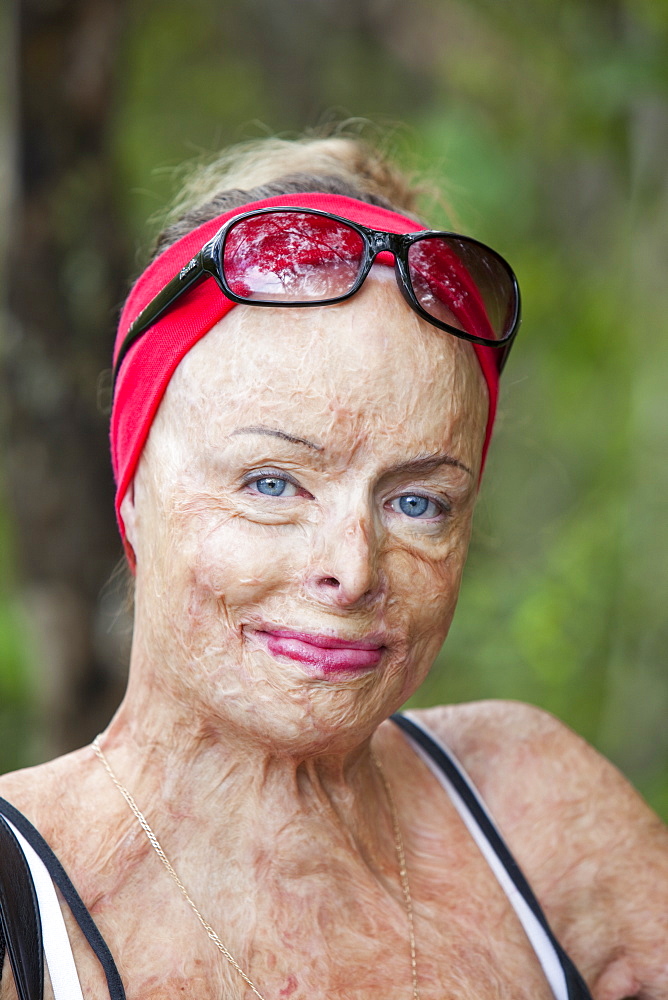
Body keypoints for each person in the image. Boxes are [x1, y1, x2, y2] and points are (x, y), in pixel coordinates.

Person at [0, 134, 666, 1000]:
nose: (352, 570)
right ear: (133, 493)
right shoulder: (26, 909)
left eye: (418, 502)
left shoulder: (535, 809)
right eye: (272, 482)